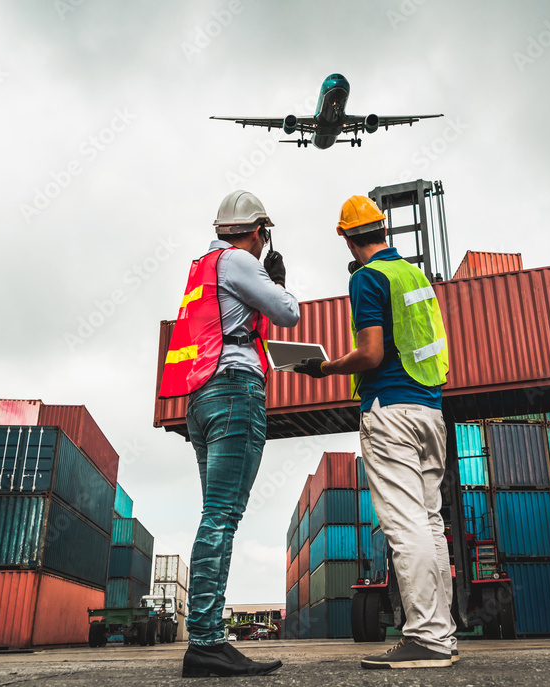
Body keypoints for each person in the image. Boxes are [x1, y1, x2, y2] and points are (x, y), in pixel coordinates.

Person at [294, 195, 455, 670]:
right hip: (431, 411)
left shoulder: (367, 278)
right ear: (383, 231)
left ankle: (425, 639)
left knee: (405, 526)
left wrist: (323, 368)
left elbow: (370, 353)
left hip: (391, 410)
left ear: (344, 236)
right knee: (429, 523)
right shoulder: (414, 275)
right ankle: (442, 634)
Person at [158, 190, 299, 678]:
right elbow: (289, 314)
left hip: (201, 397)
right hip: (235, 390)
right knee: (222, 518)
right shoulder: (241, 261)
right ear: (258, 230)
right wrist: (279, 282)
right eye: (265, 236)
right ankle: (206, 642)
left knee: (213, 516)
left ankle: (207, 639)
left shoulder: (203, 265)